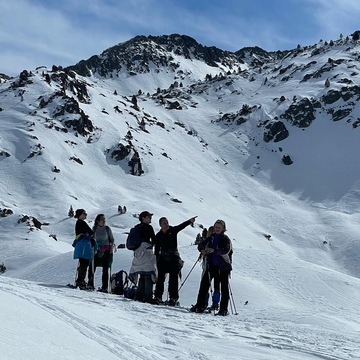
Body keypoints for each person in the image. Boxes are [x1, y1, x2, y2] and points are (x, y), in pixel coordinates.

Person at [190, 220, 232, 316]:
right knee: (204, 285)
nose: (217, 229)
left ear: (223, 229)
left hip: (223, 267)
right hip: (212, 265)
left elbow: (226, 250)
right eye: (216, 227)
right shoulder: (211, 237)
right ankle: (200, 306)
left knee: (224, 288)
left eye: (219, 227)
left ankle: (223, 309)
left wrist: (213, 250)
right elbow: (200, 245)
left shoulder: (225, 239)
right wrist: (203, 250)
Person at [154, 216, 197, 305]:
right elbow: (157, 249)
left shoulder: (173, 230)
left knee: (173, 279)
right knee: (160, 278)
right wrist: (156, 259)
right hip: (163, 258)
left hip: (173, 258)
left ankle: (173, 298)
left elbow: (181, 226)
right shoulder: (158, 235)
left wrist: (189, 221)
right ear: (160, 225)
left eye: (167, 222)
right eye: (164, 223)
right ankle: (158, 296)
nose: (166, 225)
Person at [128, 211, 158, 303]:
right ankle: (148, 296)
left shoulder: (137, 227)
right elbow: (154, 240)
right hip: (147, 251)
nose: (150, 218)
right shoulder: (148, 227)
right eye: (148, 217)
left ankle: (139, 295)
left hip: (137, 252)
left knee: (141, 273)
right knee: (148, 273)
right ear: (143, 218)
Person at [88, 213, 115, 293]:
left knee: (105, 269)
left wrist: (111, 248)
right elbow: (92, 238)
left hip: (106, 251)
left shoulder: (107, 229)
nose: (104, 221)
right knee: (92, 267)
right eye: (102, 219)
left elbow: (112, 239)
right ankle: (90, 283)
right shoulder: (94, 229)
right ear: (98, 221)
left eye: (104, 219)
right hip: (96, 250)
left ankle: (105, 287)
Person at [72, 209, 97, 290]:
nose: (86, 215)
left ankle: (80, 280)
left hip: (83, 246)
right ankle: (80, 281)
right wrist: (89, 235)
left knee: (83, 263)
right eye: (84, 213)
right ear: (80, 214)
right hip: (84, 246)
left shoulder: (79, 223)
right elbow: (90, 232)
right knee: (84, 263)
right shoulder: (81, 222)